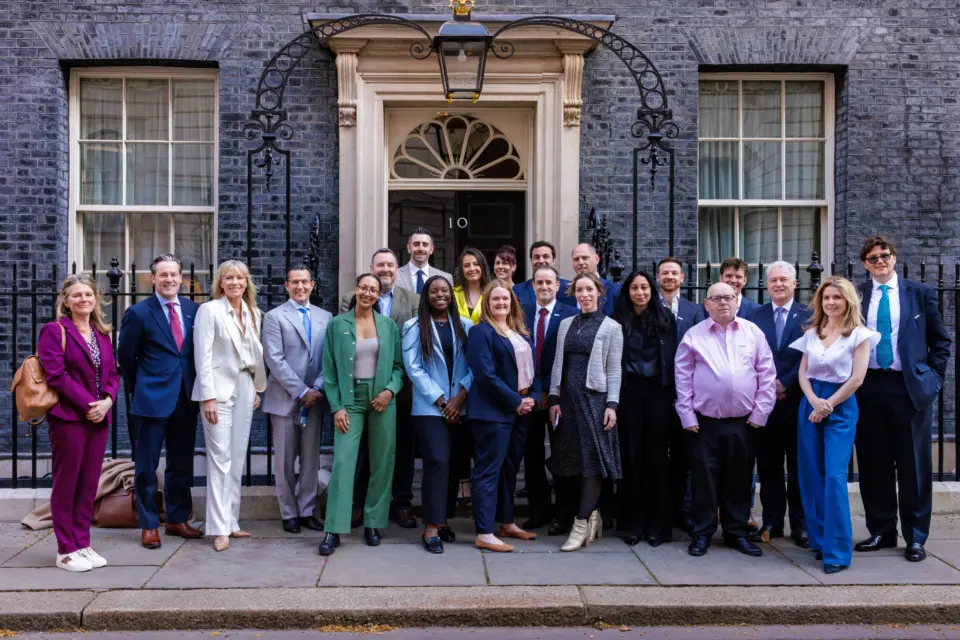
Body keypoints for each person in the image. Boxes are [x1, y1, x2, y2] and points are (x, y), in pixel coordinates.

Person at [854, 236, 951, 563]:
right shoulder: (858, 295)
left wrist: (933, 379)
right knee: (873, 464)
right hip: (867, 387)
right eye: (872, 258)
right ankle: (881, 530)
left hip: (907, 388)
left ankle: (915, 537)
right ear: (865, 264)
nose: (879, 261)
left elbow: (941, 341)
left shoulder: (919, 293)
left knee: (914, 467)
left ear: (894, 258)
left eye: (884, 255)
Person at [675, 282, 775, 558]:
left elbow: (766, 373)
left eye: (728, 297)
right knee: (704, 481)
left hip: (744, 422)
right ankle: (703, 533)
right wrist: (686, 415)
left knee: (740, 479)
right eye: (716, 298)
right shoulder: (694, 335)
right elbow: (682, 378)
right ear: (706, 304)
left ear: (737, 301)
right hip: (704, 422)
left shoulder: (752, 332)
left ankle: (736, 533)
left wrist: (760, 413)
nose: (723, 303)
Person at [789, 276, 878, 575]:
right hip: (811, 402)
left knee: (834, 476)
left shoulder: (860, 335)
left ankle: (838, 551)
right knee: (811, 474)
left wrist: (827, 405)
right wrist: (814, 400)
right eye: (826, 298)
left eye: (837, 298)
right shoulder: (812, 332)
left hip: (840, 404)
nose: (830, 302)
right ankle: (821, 540)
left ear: (848, 301)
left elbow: (857, 378)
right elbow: (802, 373)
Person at [117, 254, 203, 550]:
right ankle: (149, 524)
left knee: (180, 464)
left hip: (185, 398)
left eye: (174, 275)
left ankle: (177, 520)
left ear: (181, 278)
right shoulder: (139, 313)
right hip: (151, 398)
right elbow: (125, 357)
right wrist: (139, 385)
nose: (169, 279)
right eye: (163, 275)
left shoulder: (195, 310)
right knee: (146, 466)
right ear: (152, 279)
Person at [318, 273, 405, 556]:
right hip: (349, 399)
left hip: (381, 398)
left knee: (382, 462)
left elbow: (397, 368)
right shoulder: (337, 324)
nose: (368, 293)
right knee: (343, 462)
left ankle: (373, 523)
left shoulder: (389, 326)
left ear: (379, 295)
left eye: (373, 290)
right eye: (364, 287)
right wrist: (337, 406)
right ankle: (333, 528)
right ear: (355, 289)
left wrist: (390, 391)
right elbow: (329, 371)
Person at [38, 274, 119, 572]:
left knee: (88, 484)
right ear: (66, 301)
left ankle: (83, 543)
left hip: (99, 417)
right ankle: (66, 550)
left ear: (96, 299)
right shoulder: (54, 330)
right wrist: (89, 405)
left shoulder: (103, 333)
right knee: (67, 482)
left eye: (88, 294)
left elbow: (113, 373)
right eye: (77, 295)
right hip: (70, 419)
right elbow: (56, 375)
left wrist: (108, 401)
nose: (83, 299)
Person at [340, 248, 420, 529]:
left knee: (401, 452)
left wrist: (392, 387)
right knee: (363, 452)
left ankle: (400, 504)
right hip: (360, 391)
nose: (385, 269)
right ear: (371, 269)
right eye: (379, 265)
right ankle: (357, 505)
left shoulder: (412, 299)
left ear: (397, 269)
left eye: (390, 265)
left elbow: (413, 339)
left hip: (401, 390)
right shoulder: (351, 300)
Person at [192, 260, 268, 552]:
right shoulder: (209, 310)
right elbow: (203, 355)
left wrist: (257, 387)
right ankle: (218, 528)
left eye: (240, 278)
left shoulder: (253, 313)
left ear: (247, 282)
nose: (235, 282)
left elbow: (253, 352)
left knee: (236, 457)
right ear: (220, 283)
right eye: (229, 278)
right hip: (218, 392)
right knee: (220, 458)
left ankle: (232, 521)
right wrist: (207, 397)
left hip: (246, 386)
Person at [548, 273, 624, 552]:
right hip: (568, 401)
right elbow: (559, 362)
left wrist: (612, 405)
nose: (584, 294)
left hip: (595, 401)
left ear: (599, 292)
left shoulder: (611, 327)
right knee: (574, 463)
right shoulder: (567, 324)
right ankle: (593, 516)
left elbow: (615, 369)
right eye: (579, 290)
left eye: (589, 289)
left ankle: (580, 524)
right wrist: (555, 397)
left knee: (593, 462)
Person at [402, 275, 474, 554]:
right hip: (431, 408)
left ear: (451, 295)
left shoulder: (465, 325)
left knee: (455, 464)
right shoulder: (413, 326)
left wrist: (460, 398)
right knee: (437, 461)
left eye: (444, 290)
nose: (440, 295)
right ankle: (430, 526)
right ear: (426, 296)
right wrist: (443, 402)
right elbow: (414, 368)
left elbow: (474, 365)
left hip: (461, 405)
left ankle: (443, 520)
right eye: (434, 291)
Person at [465, 279, 538, 552]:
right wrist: (515, 401)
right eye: (495, 299)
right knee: (488, 471)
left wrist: (532, 396)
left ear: (512, 302)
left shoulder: (519, 331)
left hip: (521, 409)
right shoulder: (480, 332)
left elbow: (534, 367)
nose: (501, 303)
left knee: (509, 469)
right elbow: (485, 375)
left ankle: (506, 522)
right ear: (487, 303)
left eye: (505, 299)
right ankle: (484, 532)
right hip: (492, 412)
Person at [261, 265, 333, 534]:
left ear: (312, 285)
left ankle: (307, 511)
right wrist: (302, 391)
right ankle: (288, 513)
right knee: (285, 460)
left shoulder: (326, 317)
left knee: (311, 460)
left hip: (316, 398)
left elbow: (330, 357)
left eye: (304, 282)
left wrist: (316, 388)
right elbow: (274, 359)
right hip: (284, 399)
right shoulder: (274, 317)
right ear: (287, 286)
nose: (300, 287)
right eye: (295, 282)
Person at [748, 261, 811, 548]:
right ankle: (772, 521)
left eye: (784, 280)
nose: (778, 285)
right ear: (767, 284)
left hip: (797, 401)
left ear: (794, 283)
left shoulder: (809, 316)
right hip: (765, 403)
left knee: (799, 467)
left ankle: (801, 524)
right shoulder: (754, 315)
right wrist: (769, 384)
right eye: (773, 280)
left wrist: (786, 383)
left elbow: (811, 356)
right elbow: (748, 354)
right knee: (769, 466)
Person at [613, 270, 678, 547]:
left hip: (658, 395)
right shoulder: (617, 321)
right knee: (631, 457)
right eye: (634, 288)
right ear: (627, 292)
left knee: (656, 458)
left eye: (644, 287)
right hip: (628, 394)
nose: (640, 292)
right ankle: (632, 523)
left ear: (651, 291)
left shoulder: (666, 320)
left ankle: (657, 526)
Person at [520, 265, 577, 533]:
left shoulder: (572, 315)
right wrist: (534, 392)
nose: (543, 287)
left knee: (562, 456)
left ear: (557, 286)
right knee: (531, 459)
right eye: (539, 282)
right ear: (533, 287)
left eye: (548, 283)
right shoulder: (521, 315)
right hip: (530, 398)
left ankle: (564, 515)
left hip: (559, 398)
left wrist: (551, 392)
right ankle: (538, 512)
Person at [656, 257, 705, 534]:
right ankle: (662, 511)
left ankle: (684, 511)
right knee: (659, 456)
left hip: (688, 395)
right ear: (658, 277)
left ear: (683, 277)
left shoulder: (695, 310)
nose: (670, 277)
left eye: (674, 273)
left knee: (686, 457)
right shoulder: (651, 306)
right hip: (658, 393)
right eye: (665, 273)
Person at [513, 241, 571, 309]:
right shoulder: (518, 290)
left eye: (546, 256)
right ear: (531, 261)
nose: (541, 261)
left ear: (553, 260)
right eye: (536, 257)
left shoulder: (569, 288)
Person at [395, 228, 454, 294]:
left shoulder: (446, 278)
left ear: (431, 249)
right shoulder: (395, 275)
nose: (421, 248)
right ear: (409, 248)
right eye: (416, 244)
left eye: (425, 244)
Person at [569, 243, 620, 315]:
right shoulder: (565, 293)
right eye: (576, 259)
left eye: (585, 258)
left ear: (597, 259)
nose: (580, 262)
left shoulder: (615, 291)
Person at [453, 247, 490, 324]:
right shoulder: (453, 293)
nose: (472, 268)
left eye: (476, 264)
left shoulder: (492, 292)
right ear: (461, 269)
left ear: (482, 266)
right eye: (467, 266)